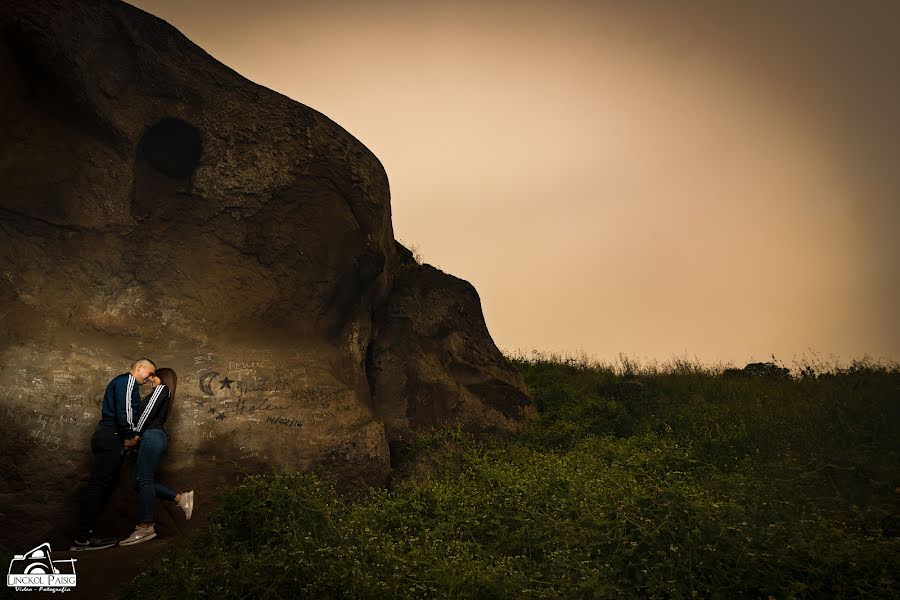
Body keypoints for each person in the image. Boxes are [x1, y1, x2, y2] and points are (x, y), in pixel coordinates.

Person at [71, 358, 156, 551]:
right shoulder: (128, 381)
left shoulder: (124, 382)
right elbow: (125, 411)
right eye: (149, 373)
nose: (150, 378)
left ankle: (85, 537)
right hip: (112, 436)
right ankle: (83, 539)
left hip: (109, 437)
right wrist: (130, 435)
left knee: (101, 488)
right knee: (98, 487)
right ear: (139, 368)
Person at [120, 367, 194, 546]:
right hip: (151, 437)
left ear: (161, 377)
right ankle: (180, 498)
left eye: (153, 376)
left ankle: (145, 526)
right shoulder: (164, 393)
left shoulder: (162, 389)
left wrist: (135, 435)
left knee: (144, 480)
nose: (150, 380)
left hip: (151, 436)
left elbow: (146, 414)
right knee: (139, 482)